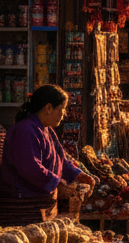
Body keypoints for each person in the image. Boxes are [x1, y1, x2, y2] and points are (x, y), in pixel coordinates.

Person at [0, 86, 95, 226]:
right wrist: (58, 183)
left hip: (41, 206)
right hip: (23, 207)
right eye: (62, 109)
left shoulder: (47, 130)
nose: (64, 114)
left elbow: (61, 160)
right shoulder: (25, 130)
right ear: (48, 108)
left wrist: (79, 176)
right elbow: (30, 168)